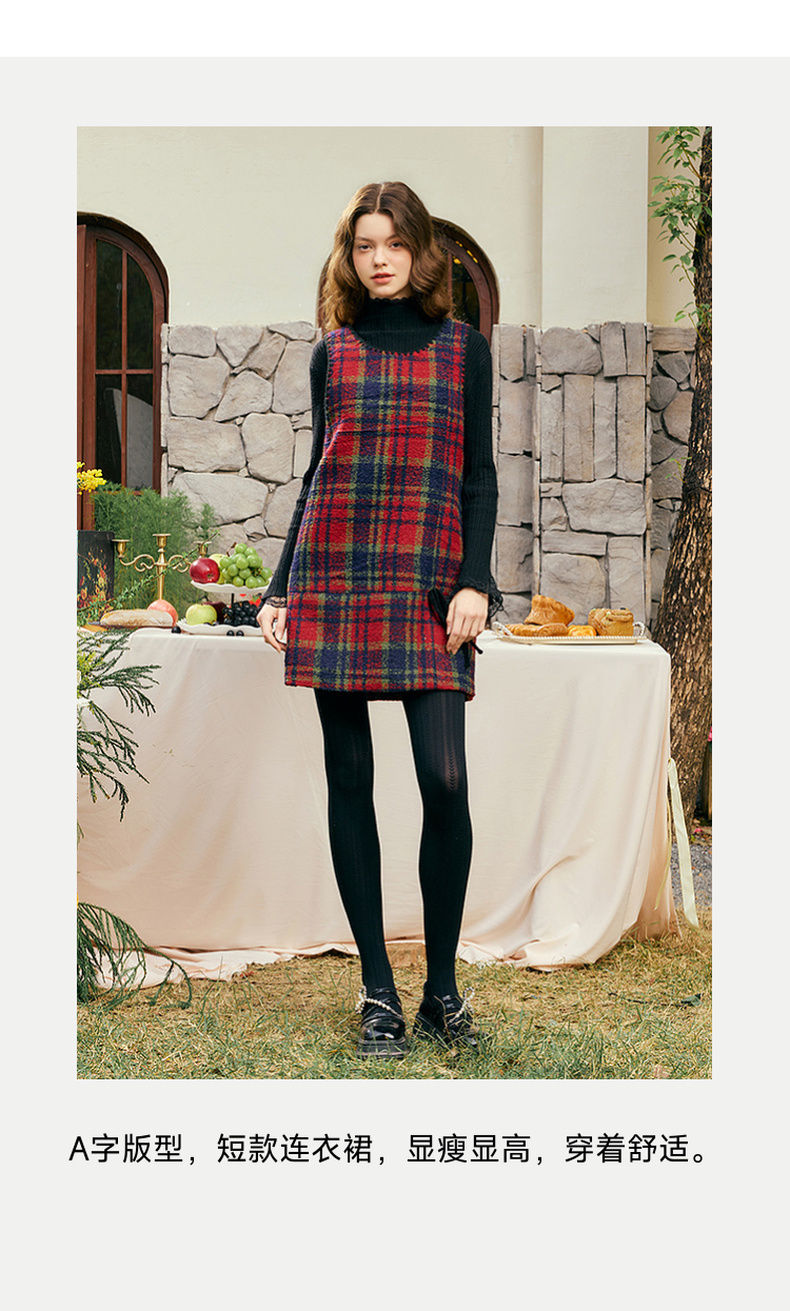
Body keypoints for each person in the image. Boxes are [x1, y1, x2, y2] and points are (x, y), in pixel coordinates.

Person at [259, 181, 500, 1059]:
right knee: (350, 778)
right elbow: (318, 474)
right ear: (350, 256)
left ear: (422, 252)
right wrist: (279, 589)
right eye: (365, 245)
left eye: (394, 243)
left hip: (431, 586)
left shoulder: (464, 349)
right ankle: (377, 991)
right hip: (338, 577)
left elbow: (479, 474)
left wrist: (476, 580)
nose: (379, 258)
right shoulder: (334, 352)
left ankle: (441, 988)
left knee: (446, 781)